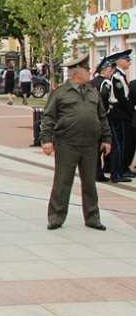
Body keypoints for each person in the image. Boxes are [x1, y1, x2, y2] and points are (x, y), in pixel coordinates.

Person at [40, 54, 111, 231]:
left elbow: (102, 117)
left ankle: (92, 218)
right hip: (67, 143)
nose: (90, 73)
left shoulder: (93, 91)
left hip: (90, 144)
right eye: (87, 70)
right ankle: (56, 217)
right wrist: (46, 140)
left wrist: (107, 139)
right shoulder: (60, 93)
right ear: (77, 73)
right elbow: (48, 117)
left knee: (90, 183)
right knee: (62, 182)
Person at [106, 50, 133, 183]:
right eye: (127, 60)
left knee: (121, 144)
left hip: (121, 114)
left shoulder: (120, 75)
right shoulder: (117, 77)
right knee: (118, 145)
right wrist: (130, 112)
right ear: (120, 61)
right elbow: (122, 99)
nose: (129, 62)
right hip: (118, 115)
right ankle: (116, 173)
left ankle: (120, 171)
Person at [91, 57, 115, 183]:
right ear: (105, 70)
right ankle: (99, 173)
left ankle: (95, 172)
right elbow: (106, 99)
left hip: (91, 118)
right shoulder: (105, 83)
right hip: (102, 117)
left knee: (94, 147)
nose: (111, 73)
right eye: (110, 71)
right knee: (102, 146)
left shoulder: (91, 82)